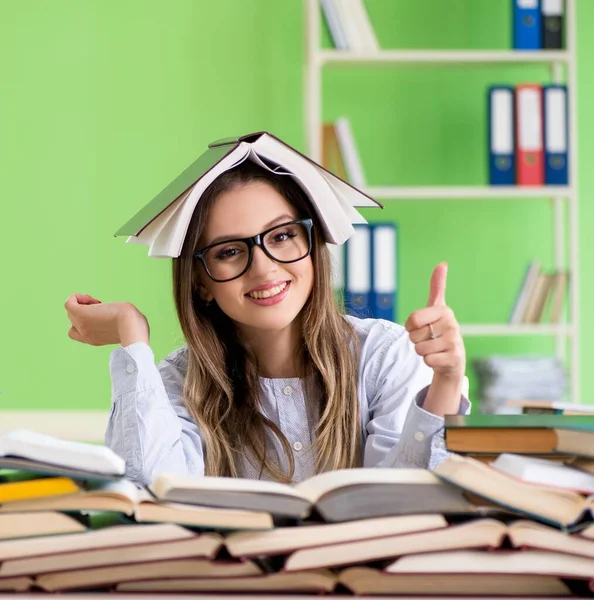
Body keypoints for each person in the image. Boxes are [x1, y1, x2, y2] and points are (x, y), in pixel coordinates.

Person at [64, 159, 468, 487]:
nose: (264, 268)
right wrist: (131, 335)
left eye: (280, 236)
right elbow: (149, 494)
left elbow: (407, 504)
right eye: (228, 251)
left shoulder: (386, 354)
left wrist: (446, 381)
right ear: (201, 283)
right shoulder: (178, 382)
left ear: (312, 247)